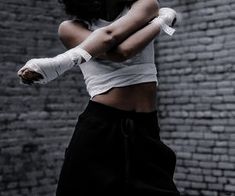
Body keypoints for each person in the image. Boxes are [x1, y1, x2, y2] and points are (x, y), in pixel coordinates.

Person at [17, 0, 180, 195]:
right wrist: (161, 21)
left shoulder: (145, 5)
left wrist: (159, 18)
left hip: (145, 128)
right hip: (100, 128)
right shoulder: (70, 28)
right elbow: (119, 50)